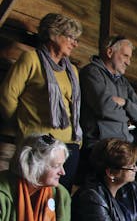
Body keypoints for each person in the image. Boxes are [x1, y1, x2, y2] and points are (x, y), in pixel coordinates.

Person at [0, 13, 83, 190]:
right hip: (40, 145)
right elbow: (7, 96)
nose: (75, 43)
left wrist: (77, 141)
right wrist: (22, 125)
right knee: (33, 196)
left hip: (69, 146)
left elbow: (73, 107)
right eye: (70, 37)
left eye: (76, 39)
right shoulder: (31, 59)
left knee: (60, 200)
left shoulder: (72, 71)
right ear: (53, 34)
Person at [79, 35, 137, 174]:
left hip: (122, 150)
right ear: (110, 52)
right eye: (125, 56)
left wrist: (125, 103)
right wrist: (129, 116)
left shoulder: (123, 82)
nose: (128, 62)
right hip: (100, 149)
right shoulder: (92, 72)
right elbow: (104, 108)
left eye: (129, 58)